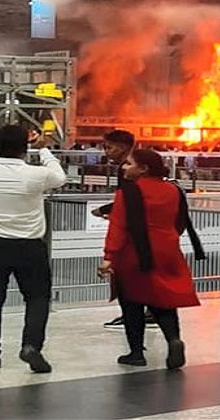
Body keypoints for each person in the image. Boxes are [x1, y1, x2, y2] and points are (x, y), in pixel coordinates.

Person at [0, 125, 66, 372]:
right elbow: (60, 177)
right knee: (37, 297)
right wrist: (43, 150)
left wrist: (1, 149)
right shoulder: (36, 175)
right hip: (29, 245)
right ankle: (31, 345)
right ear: (26, 147)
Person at [98, 149, 202, 369]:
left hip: (134, 253)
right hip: (167, 249)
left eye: (128, 163)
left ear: (143, 168)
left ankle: (136, 353)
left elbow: (118, 227)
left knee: (131, 301)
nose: (124, 167)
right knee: (162, 299)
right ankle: (173, 339)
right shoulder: (173, 190)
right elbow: (179, 221)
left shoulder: (127, 193)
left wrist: (109, 257)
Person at [91, 130, 158, 329]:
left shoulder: (126, 170)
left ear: (121, 147)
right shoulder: (140, 165)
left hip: (134, 233)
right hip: (148, 230)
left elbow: (128, 201)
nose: (106, 151)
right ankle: (149, 312)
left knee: (127, 275)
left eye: (109, 147)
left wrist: (106, 210)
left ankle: (133, 316)